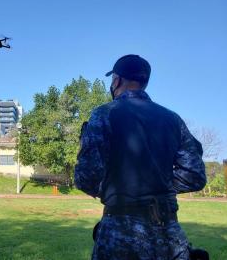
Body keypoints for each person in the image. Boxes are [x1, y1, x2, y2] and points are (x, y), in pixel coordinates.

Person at [75, 54, 206, 260]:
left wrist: (117, 191)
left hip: (118, 233)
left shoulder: (104, 114)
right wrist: (158, 187)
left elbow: (86, 177)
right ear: (144, 82)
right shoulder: (173, 120)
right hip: (169, 234)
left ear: (117, 80)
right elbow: (195, 176)